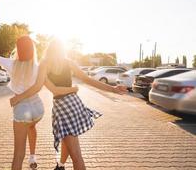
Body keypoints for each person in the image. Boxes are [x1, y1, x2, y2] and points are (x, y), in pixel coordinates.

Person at [0, 36, 78, 170]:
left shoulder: (10, 64)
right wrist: (72, 88)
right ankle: (32, 156)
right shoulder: (39, 67)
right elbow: (52, 86)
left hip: (21, 111)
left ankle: (29, 154)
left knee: (18, 155)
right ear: (33, 50)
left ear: (18, 49)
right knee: (31, 127)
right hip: (38, 110)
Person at [10, 39, 127, 170]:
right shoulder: (69, 62)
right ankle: (60, 165)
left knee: (76, 155)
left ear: (49, 49)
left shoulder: (45, 63)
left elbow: (46, 88)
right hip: (75, 103)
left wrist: (18, 98)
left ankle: (61, 165)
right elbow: (87, 79)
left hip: (63, 107)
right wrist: (112, 89)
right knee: (67, 139)